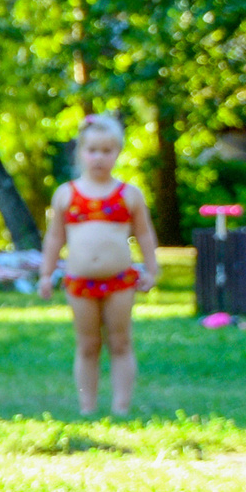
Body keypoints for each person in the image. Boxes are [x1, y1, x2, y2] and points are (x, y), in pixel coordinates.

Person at [38, 113, 159, 418]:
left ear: (117, 153)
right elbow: (55, 238)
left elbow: (144, 234)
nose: (99, 157)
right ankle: (87, 407)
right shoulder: (67, 194)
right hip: (80, 282)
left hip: (119, 282)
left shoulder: (129, 195)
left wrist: (152, 269)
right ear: (81, 152)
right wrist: (46, 273)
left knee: (120, 342)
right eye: (92, 150)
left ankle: (121, 407)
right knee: (88, 345)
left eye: (106, 151)